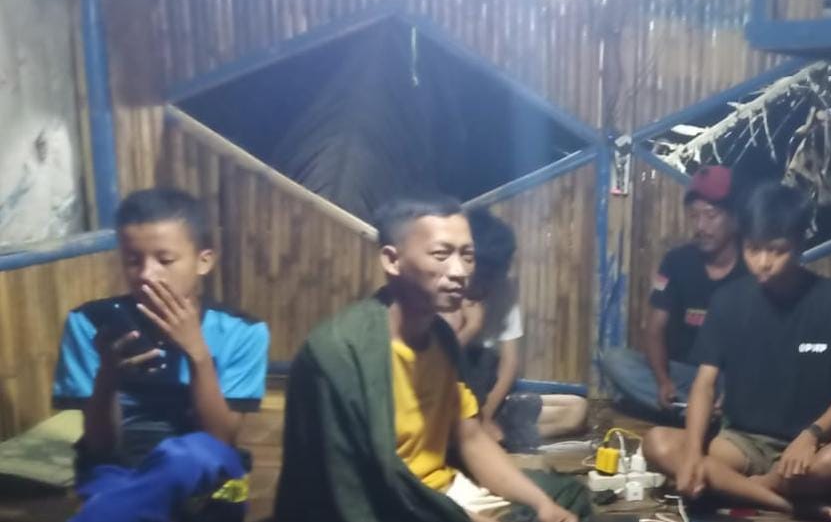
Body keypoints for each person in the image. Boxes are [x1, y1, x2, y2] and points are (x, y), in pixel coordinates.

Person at [274, 195, 584, 522]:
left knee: (565, 497)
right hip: (391, 506)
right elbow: (348, 488)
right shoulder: (338, 352)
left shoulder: (442, 341)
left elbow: (471, 438)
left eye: (467, 256)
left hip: (444, 491)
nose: (459, 271)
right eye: (441, 254)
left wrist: (542, 505)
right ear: (392, 260)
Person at [642, 182, 831, 522]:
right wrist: (694, 455)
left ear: (800, 243)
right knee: (658, 443)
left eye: (776, 251)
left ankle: (742, 489)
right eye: (753, 249)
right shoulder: (728, 301)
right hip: (741, 443)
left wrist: (812, 435)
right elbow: (704, 384)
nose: (763, 262)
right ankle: (789, 504)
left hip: (812, 446)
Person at [52, 188, 269, 522]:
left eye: (164, 261)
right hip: (117, 470)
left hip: (209, 472)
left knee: (186, 456)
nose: (146, 274)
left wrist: (198, 355)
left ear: (203, 261)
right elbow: (100, 445)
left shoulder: (242, 331)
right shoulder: (90, 324)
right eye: (132, 260)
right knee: (122, 489)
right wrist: (108, 375)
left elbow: (221, 439)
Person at [600, 165, 747, 416]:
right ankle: (700, 413)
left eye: (711, 215)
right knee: (615, 360)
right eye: (694, 216)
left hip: (729, 379)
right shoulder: (677, 262)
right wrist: (663, 381)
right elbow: (654, 329)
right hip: (683, 375)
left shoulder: (752, 266)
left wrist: (736, 388)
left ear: (734, 217)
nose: (700, 226)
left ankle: (693, 413)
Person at [444, 208, 588, 448]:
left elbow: (509, 364)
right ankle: (479, 436)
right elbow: (434, 365)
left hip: (489, 397)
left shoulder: (503, 289)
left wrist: (485, 414)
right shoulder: (445, 293)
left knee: (577, 409)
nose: (489, 283)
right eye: (483, 275)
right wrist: (471, 327)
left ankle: (487, 433)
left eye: (495, 275)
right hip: (451, 399)